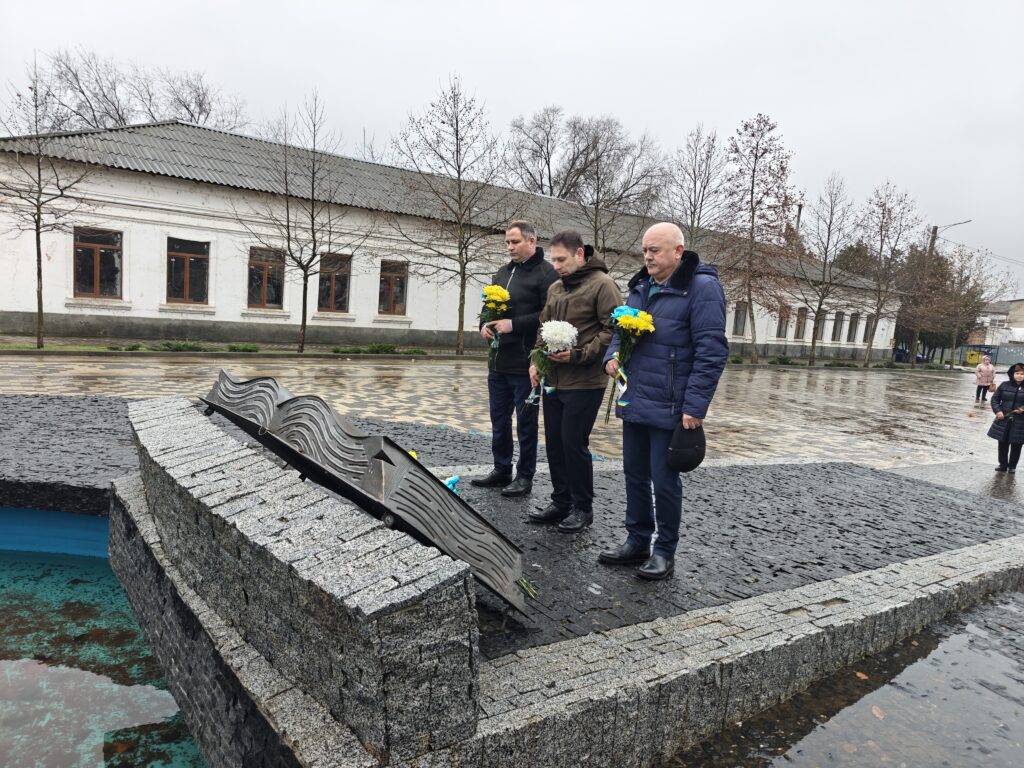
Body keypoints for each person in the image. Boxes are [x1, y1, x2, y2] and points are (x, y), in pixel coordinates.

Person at [599, 222, 728, 580]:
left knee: (664, 480)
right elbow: (620, 330)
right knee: (634, 474)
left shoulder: (702, 288)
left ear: (678, 252)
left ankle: (664, 551)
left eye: (655, 250)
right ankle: (637, 540)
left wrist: (695, 406)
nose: (648, 256)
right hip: (635, 397)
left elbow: (711, 351)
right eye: (645, 250)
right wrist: (612, 356)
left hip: (671, 404)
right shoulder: (641, 286)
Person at [526, 231, 621, 533]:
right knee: (554, 443)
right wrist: (536, 361)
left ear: (580, 254)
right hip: (554, 378)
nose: (556, 266)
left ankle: (583, 507)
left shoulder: (603, 285)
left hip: (585, 380)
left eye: (561, 259)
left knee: (573, 443)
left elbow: (612, 330)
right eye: (553, 260)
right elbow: (543, 327)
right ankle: (561, 501)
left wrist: (580, 355)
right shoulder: (556, 287)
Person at [471, 221, 558, 497]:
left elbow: (549, 314)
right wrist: (484, 325)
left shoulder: (547, 274)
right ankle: (501, 469)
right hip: (498, 361)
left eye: (515, 242)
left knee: (526, 424)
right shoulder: (502, 272)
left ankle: (524, 476)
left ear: (531, 241)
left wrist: (514, 324)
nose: (510, 247)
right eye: (507, 242)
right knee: (499, 420)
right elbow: (488, 306)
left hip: (525, 363)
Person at [988, 362, 1024, 472]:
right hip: (1004, 419)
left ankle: (1012, 466)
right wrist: (998, 411)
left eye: (1022, 374)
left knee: (1017, 444)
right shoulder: (1004, 385)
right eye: (1017, 373)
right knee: (1003, 443)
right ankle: (1002, 465)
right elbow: (995, 400)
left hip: (1020, 422)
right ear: (1012, 374)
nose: (1019, 375)